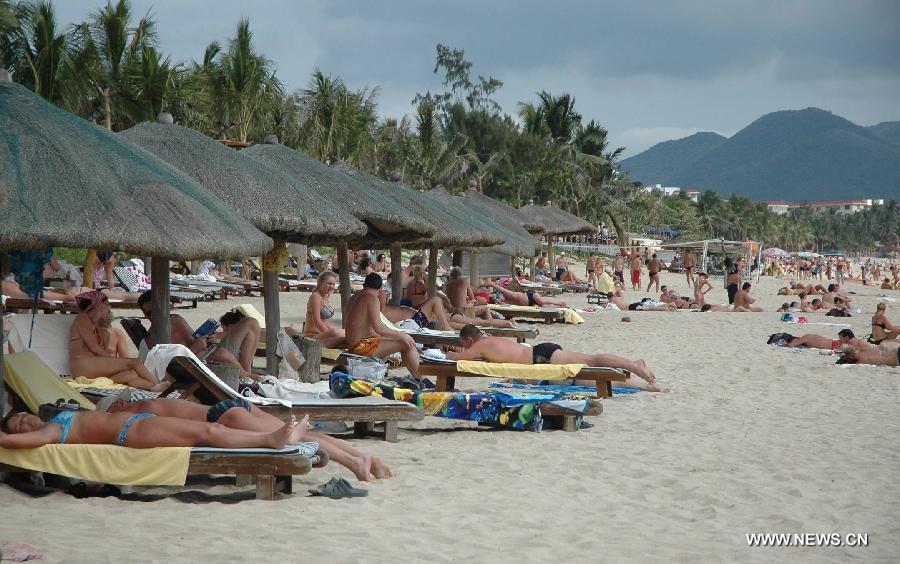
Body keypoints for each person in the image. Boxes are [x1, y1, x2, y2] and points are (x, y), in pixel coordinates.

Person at [106, 397, 391, 480]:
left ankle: (356, 464)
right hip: (229, 406)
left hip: (220, 418)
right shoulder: (154, 401)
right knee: (306, 436)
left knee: (290, 440)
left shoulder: (138, 411)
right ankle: (361, 458)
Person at [447, 325, 660, 391]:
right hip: (540, 356)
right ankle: (637, 376)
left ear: (468, 340)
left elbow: (459, 359)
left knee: (592, 362)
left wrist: (443, 352)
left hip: (542, 358)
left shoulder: (481, 344)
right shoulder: (489, 341)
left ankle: (633, 365)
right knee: (590, 369)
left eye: (463, 343)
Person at [0, 409, 304, 451]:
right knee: (207, 435)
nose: (26, 421)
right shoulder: (50, 433)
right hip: (131, 434)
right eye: (20, 425)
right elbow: (13, 442)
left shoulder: (56, 418)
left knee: (212, 427)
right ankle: (270, 439)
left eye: (23, 415)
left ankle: (276, 437)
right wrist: (8, 436)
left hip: (139, 422)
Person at [137, 290, 261, 381]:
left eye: (157, 310)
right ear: (145, 316)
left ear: (165, 307)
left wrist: (207, 339)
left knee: (251, 323)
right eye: (150, 313)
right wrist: (193, 349)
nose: (155, 315)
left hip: (212, 352)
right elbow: (161, 370)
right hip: (201, 368)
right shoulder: (149, 342)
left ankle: (246, 375)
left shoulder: (176, 319)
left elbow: (194, 338)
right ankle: (248, 377)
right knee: (222, 354)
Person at [68, 290, 165, 391]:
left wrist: (116, 363)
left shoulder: (97, 328)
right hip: (82, 365)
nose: (109, 309)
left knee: (129, 374)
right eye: (108, 305)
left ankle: (152, 388)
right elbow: (94, 348)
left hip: (90, 366)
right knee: (135, 363)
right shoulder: (83, 318)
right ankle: (157, 385)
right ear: (99, 305)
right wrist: (116, 362)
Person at [345, 273, 421, 380]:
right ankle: (420, 377)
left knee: (399, 339)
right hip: (360, 346)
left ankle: (417, 376)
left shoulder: (356, 296)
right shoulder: (371, 298)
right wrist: (402, 335)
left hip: (354, 343)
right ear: (380, 288)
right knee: (407, 343)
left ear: (364, 284)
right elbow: (379, 328)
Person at [302, 271, 345, 348]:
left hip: (322, 334)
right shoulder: (315, 297)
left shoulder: (325, 297)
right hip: (312, 336)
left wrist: (333, 332)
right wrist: (331, 334)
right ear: (320, 283)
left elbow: (325, 322)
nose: (332, 287)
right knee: (339, 334)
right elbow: (317, 321)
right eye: (329, 283)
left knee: (346, 333)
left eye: (333, 284)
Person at [484, 279, 568, 308]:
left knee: (542, 302)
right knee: (543, 306)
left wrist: (489, 284)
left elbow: (498, 287)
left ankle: (559, 303)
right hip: (529, 304)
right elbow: (501, 304)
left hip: (530, 295)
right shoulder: (505, 302)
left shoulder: (509, 294)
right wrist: (496, 300)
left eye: (500, 297)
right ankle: (559, 306)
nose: (501, 299)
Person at [786, 329, 872, 351]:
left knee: (854, 346)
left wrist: (786, 343)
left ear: (796, 338)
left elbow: (792, 345)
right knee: (857, 344)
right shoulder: (808, 336)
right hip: (832, 342)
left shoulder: (805, 337)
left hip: (832, 345)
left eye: (794, 340)